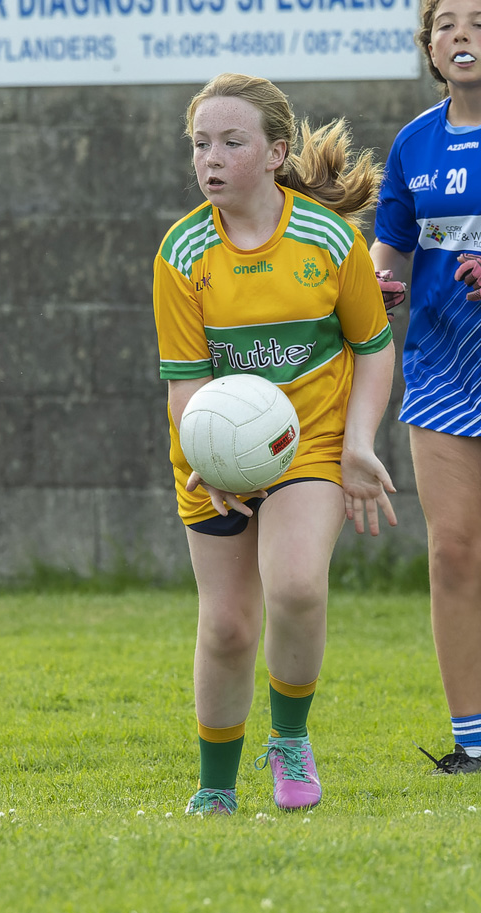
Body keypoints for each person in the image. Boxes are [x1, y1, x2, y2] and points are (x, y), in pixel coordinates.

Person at [153, 72, 397, 816]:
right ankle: (216, 787)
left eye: (232, 142)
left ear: (275, 153)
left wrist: (359, 445)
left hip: (309, 444)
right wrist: (210, 460)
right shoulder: (182, 252)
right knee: (228, 626)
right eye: (200, 144)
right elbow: (186, 382)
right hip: (209, 457)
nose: (211, 158)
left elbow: (374, 348)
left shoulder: (328, 240)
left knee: (294, 585)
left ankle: (289, 738)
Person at [372, 0, 481, 775]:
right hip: (443, 370)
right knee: (452, 551)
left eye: (480, 20)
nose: (462, 34)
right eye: (447, 23)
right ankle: (473, 741)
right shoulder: (414, 143)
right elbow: (390, 252)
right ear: (430, 46)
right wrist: (378, 287)